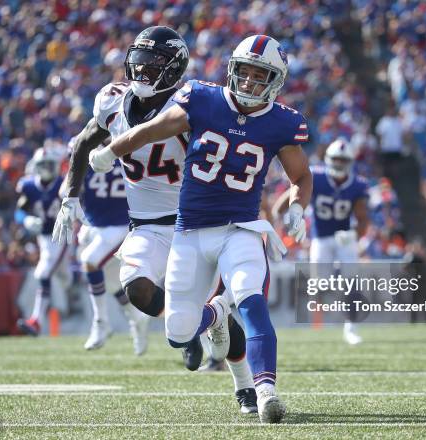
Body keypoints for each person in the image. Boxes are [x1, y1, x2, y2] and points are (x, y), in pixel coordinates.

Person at [89, 34, 313, 423]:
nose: (248, 83)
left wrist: (297, 206)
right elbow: (151, 130)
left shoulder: (283, 122)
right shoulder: (202, 98)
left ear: (276, 81)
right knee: (178, 332)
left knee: (252, 302)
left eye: (260, 77)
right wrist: (112, 150)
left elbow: (301, 175)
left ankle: (265, 392)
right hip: (189, 231)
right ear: (232, 70)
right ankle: (214, 314)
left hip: (241, 227)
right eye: (244, 73)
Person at [53, 26, 257, 414]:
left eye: (154, 63)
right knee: (138, 291)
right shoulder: (112, 101)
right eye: (139, 61)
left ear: (174, 67)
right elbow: (83, 143)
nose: (143, 70)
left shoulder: (192, 104)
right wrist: (70, 196)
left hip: (194, 221)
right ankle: (197, 325)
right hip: (146, 224)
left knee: (213, 303)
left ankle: (244, 385)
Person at [273, 137, 370, 344]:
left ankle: (351, 327)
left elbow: (363, 219)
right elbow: (294, 193)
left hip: (345, 239)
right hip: (321, 238)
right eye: (336, 159)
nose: (339, 164)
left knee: (352, 281)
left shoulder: (358, 185)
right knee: (319, 284)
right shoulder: (317, 176)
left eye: (343, 160)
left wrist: (354, 235)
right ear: (328, 159)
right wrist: (278, 214)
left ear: (350, 162)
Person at [61, 138, 150, 354]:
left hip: (120, 225)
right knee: (111, 285)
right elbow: (65, 188)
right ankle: (137, 319)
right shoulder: (87, 151)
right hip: (92, 226)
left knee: (90, 261)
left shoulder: (129, 148)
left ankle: (101, 322)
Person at [16, 147, 68, 335]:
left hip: (62, 236)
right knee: (48, 275)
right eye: (42, 165)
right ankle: (36, 321)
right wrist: (26, 219)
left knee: (47, 274)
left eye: (49, 164)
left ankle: (37, 320)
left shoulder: (63, 184)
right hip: (44, 238)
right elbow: (19, 211)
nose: (46, 168)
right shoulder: (28, 186)